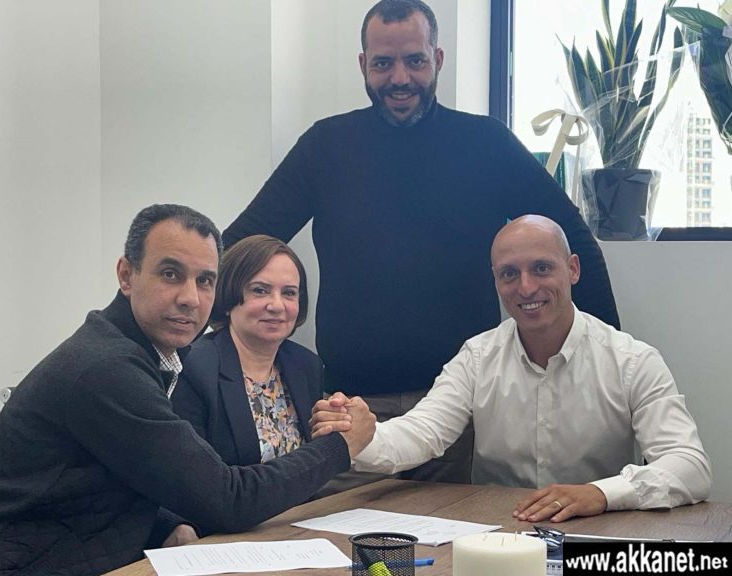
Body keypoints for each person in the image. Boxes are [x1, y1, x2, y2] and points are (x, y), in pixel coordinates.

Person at [222, 0, 619, 485]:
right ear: (363, 64)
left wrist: (605, 363)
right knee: (343, 534)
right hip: (352, 410)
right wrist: (200, 346)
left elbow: (574, 242)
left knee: (452, 533)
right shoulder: (326, 146)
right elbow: (240, 247)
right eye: (383, 63)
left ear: (438, 59)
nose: (400, 78)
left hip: (460, 410)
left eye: (415, 60)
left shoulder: (485, 144)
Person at [0, 205, 374, 576]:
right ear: (127, 275)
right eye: (170, 274)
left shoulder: (139, 353)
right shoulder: (106, 369)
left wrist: (165, 524)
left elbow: (124, 477)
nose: (190, 298)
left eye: (205, 280)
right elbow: (228, 500)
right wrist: (340, 445)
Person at [312, 215, 711, 522]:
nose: (526, 287)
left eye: (542, 268)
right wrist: (361, 435)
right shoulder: (477, 357)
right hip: (498, 533)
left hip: (598, 528)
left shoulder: (632, 361)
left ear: (573, 269)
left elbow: (690, 466)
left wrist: (601, 493)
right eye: (509, 274)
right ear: (496, 280)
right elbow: (422, 433)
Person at [171, 235, 322, 468]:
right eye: (260, 290)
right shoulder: (193, 369)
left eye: (289, 293)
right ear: (228, 296)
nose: (277, 305)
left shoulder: (307, 365)